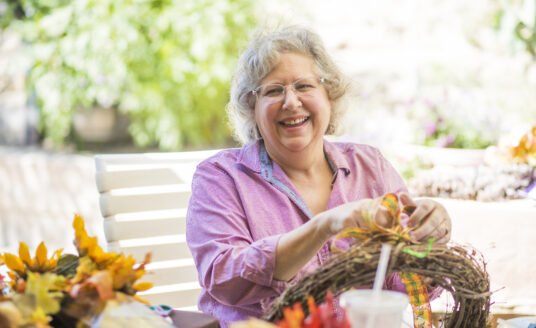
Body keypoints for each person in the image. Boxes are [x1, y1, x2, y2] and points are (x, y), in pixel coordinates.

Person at [186, 25, 452, 327]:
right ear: (252, 107)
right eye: (273, 90)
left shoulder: (370, 166)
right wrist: (325, 225)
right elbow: (223, 277)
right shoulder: (221, 178)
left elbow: (405, 283)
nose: (291, 102)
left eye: (304, 86)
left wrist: (430, 238)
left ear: (330, 96)